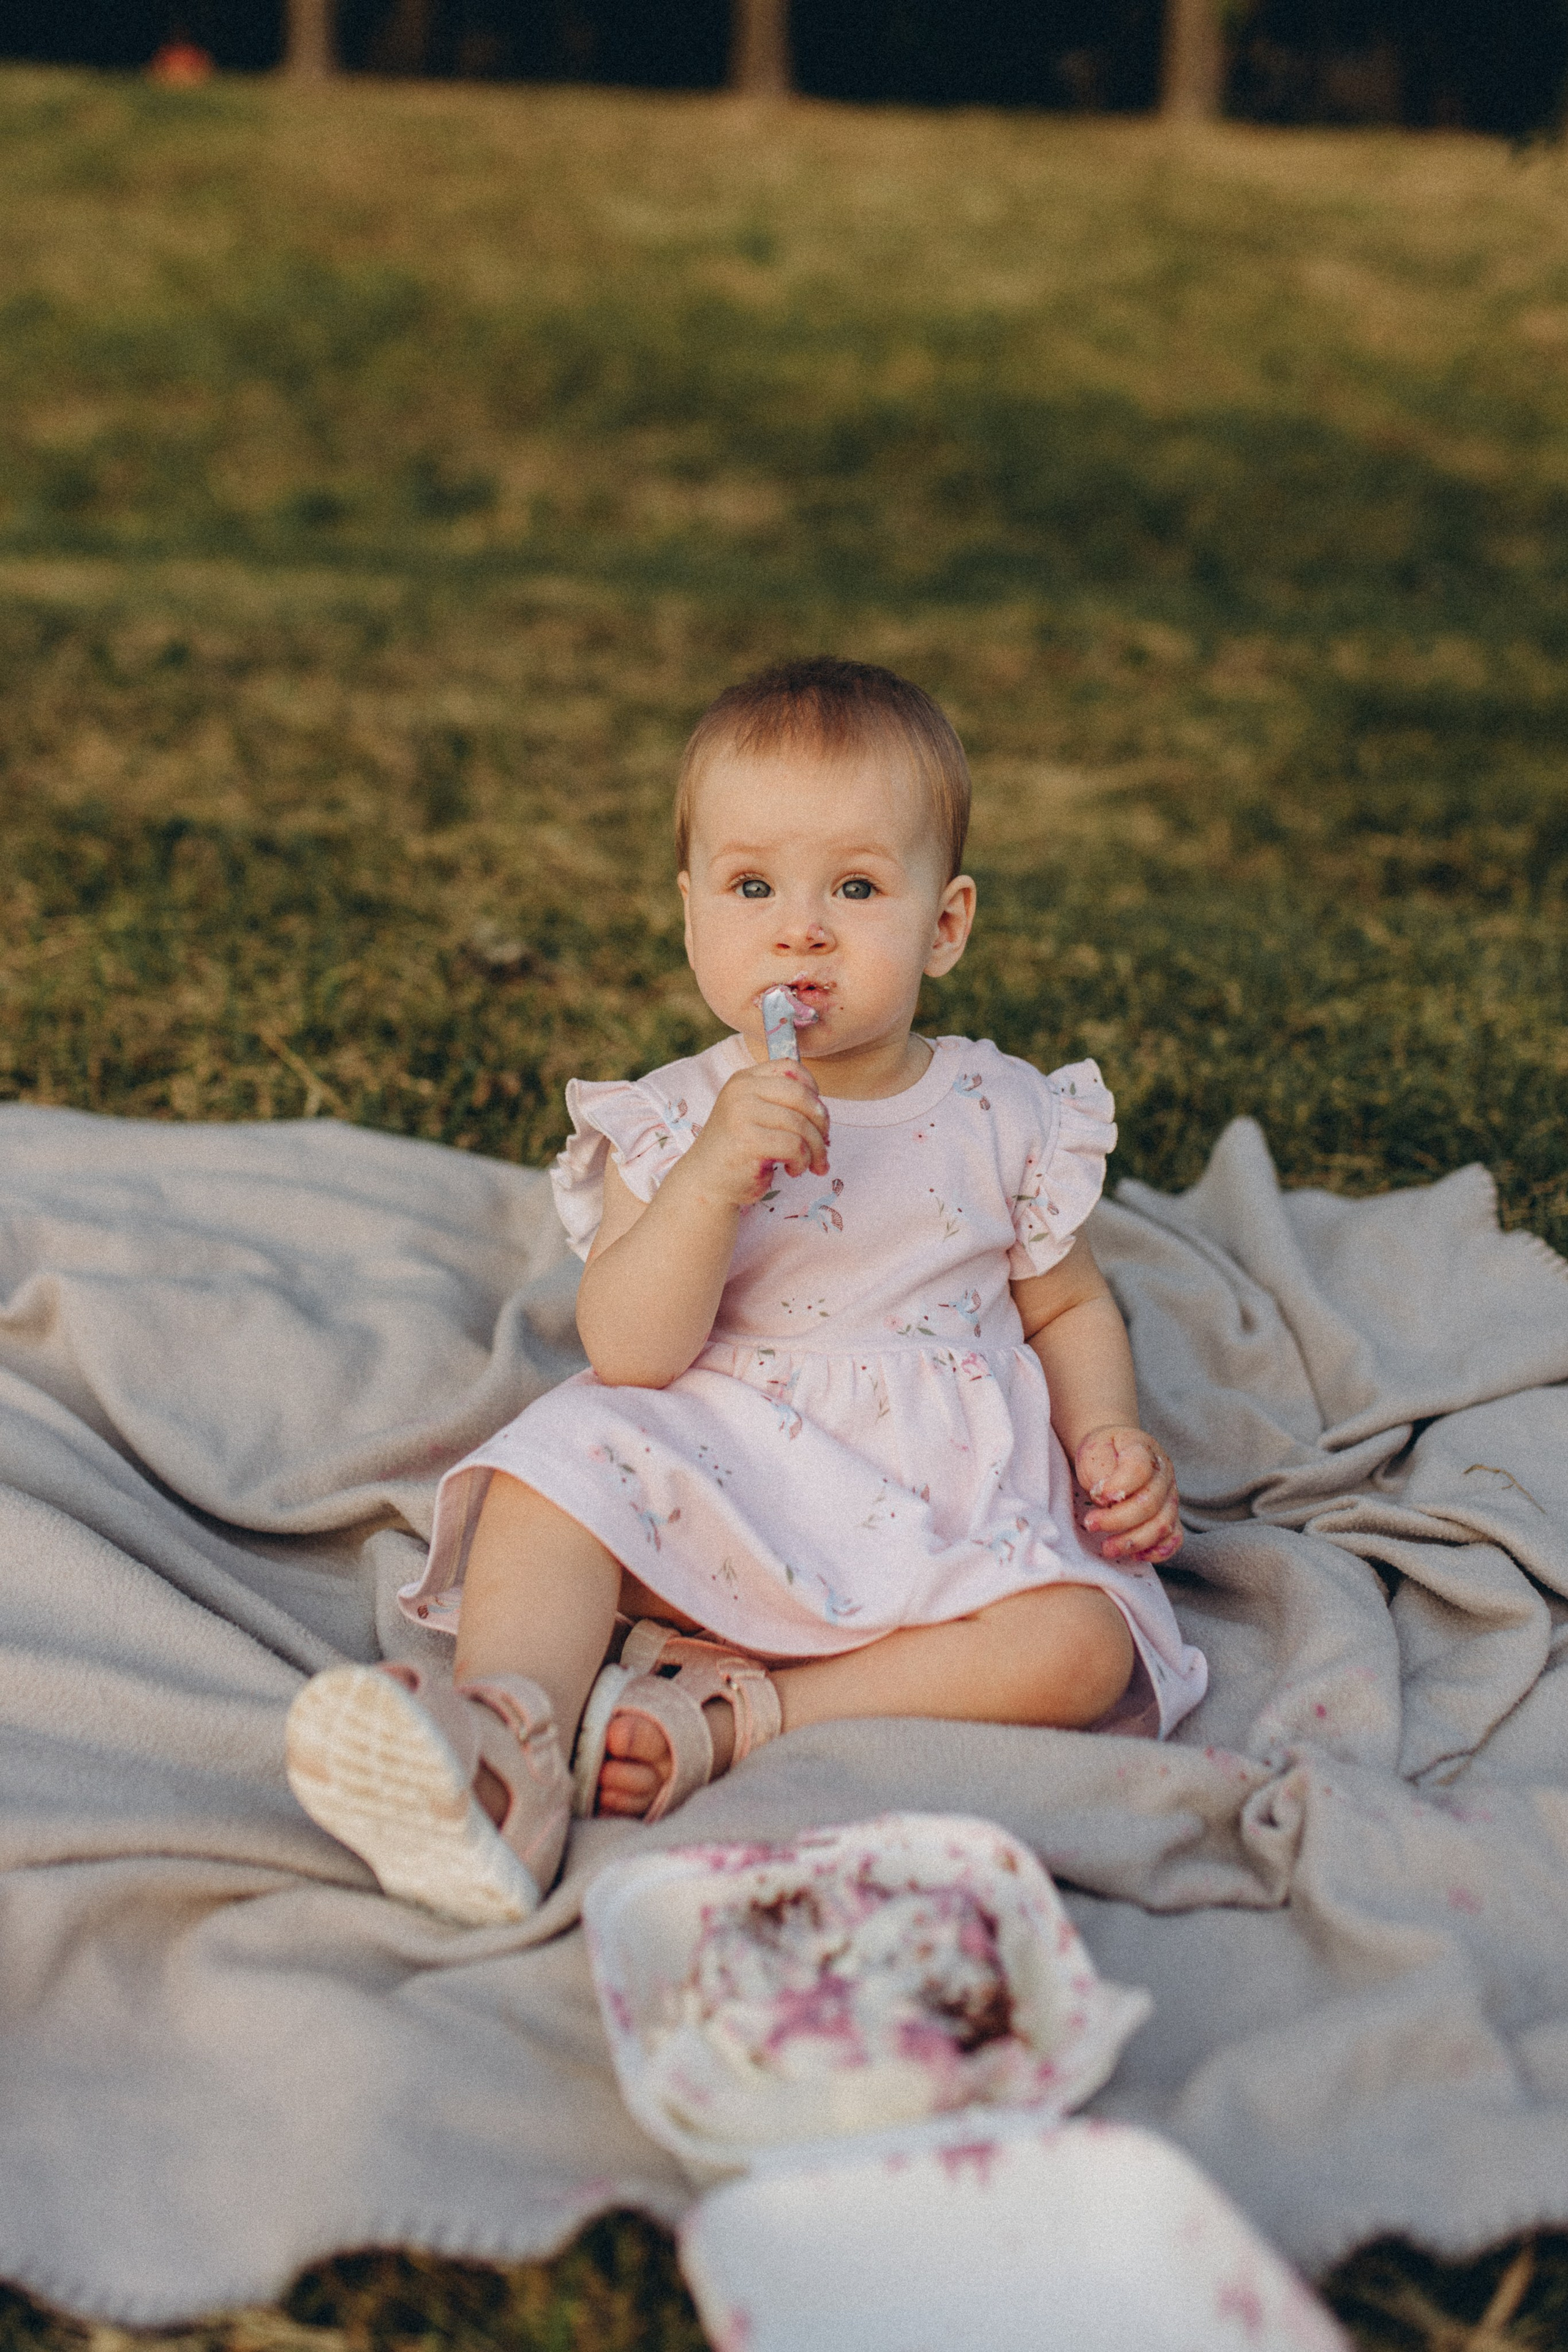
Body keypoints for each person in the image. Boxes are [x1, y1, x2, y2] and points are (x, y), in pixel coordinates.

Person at [285, 657, 1207, 1924]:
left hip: (929, 1512)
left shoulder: (1004, 1113)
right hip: (718, 1483)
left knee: (1083, 1644)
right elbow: (630, 1353)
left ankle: (747, 1715)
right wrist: (711, 1180)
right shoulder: (671, 1121)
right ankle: (508, 1741)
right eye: (753, 886)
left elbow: (1067, 1306)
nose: (800, 929)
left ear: (944, 926)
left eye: (857, 888)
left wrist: (1108, 1433)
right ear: (691, 916)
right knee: (547, 1488)